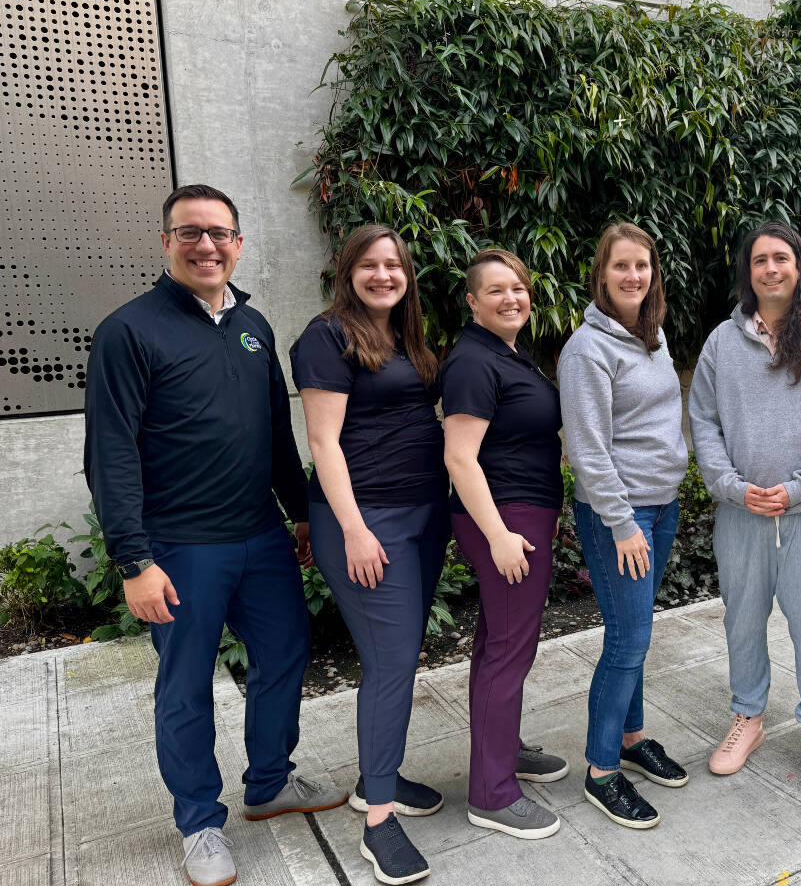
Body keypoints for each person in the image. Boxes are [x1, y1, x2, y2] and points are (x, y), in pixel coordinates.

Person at [84, 184, 346, 886]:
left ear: (238, 242)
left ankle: (268, 784)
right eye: (190, 232)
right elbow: (109, 453)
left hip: (260, 536)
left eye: (219, 233)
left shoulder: (254, 325)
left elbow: (275, 438)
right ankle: (200, 822)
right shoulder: (129, 331)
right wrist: (133, 559)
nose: (206, 245)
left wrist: (300, 512)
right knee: (186, 688)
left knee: (286, 656)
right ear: (166, 241)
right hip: (179, 547)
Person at [688, 220, 801, 809]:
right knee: (742, 620)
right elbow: (704, 424)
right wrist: (734, 488)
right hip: (740, 516)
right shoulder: (721, 343)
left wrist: (797, 490)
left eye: (781, 258)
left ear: (800, 266)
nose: (771, 268)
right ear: (749, 272)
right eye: (759, 259)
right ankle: (749, 716)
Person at [290, 225, 447, 884]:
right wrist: (355, 529)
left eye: (395, 265)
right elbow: (324, 443)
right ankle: (378, 820)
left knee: (399, 658)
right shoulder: (325, 338)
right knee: (389, 663)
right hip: (367, 522)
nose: (384, 275)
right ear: (346, 270)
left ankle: (376, 776)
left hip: (423, 516)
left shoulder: (407, 337)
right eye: (370, 265)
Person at [558, 223, 690, 829]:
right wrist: (620, 523)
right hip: (622, 514)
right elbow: (586, 448)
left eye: (642, 265)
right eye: (621, 267)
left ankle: (632, 738)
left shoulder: (652, 336)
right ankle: (601, 769)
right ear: (601, 274)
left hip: (660, 506)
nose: (633, 276)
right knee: (627, 640)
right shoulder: (588, 350)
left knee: (635, 631)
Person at [440, 248, 569, 839]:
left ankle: (503, 748)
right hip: (506, 518)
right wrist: (499, 536)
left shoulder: (507, 353)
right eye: (495, 290)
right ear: (472, 301)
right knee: (510, 650)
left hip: (521, 513)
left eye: (517, 288)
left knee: (499, 641)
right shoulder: (472, 361)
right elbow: (459, 457)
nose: (510, 298)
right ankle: (492, 792)